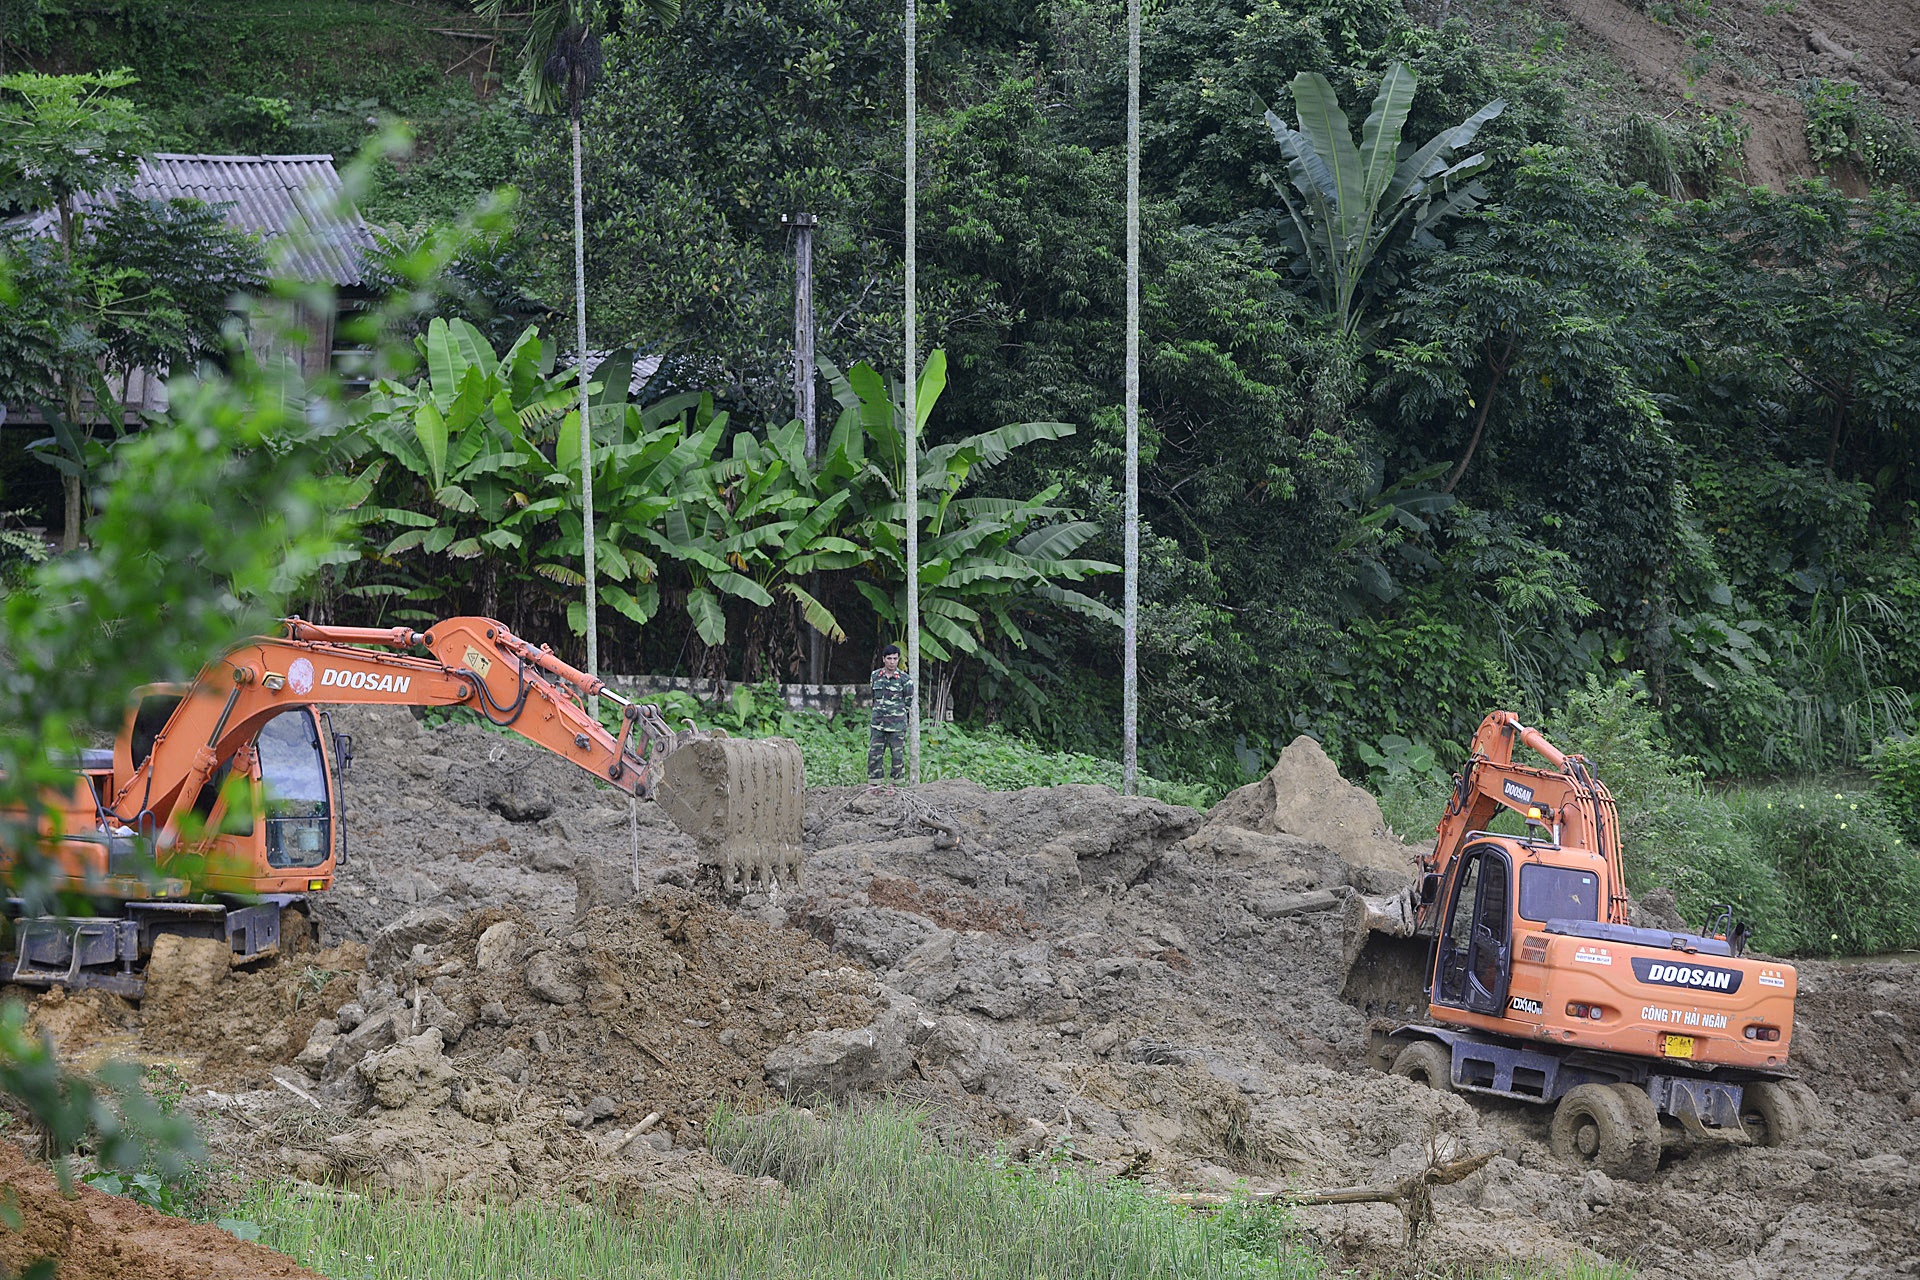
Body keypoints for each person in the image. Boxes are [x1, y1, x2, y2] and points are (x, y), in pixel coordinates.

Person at [868, 643, 912, 791]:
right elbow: (873, 697)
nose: (892, 662)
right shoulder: (875, 676)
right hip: (878, 724)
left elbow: (908, 701)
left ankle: (894, 785)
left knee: (897, 756)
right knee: (874, 754)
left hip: (897, 725)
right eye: (889, 658)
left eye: (895, 658)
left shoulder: (905, 680)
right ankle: (875, 784)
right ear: (883, 659)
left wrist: (898, 715)